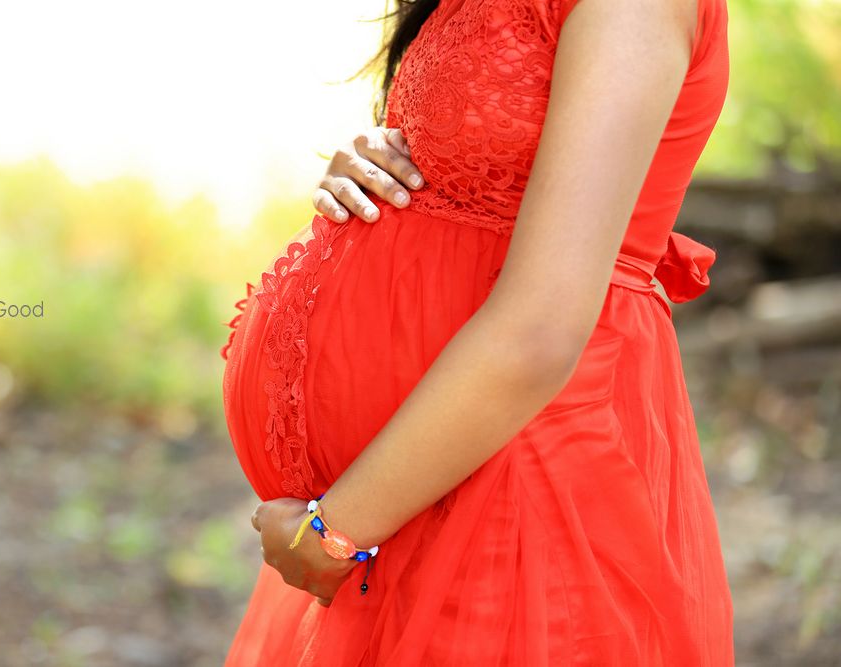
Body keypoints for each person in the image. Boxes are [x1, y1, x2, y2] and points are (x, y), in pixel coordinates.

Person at [220, 0, 736, 663]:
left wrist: (333, 532)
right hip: (409, 497)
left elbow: (541, 328)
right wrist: (386, 162)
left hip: (514, 492)